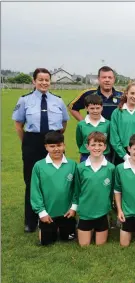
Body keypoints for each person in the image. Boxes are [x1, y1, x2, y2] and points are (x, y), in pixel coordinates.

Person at [12, 68, 70, 233]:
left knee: (58, 180)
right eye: (40, 80)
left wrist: (53, 141)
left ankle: (58, 217)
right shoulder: (24, 100)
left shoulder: (57, 101)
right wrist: (28, 143)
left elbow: (64, 123)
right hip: (32, 142)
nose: (44, 83)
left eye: (47, 80)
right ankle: (31, 220)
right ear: (34, 81)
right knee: (31, 181)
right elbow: (18, 124)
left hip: (54, 141)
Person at [30, 131, 77, 245]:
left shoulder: (72, 164)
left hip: (67, 213)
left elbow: (77, 188)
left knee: (68, 239)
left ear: (64, 145)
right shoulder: (39, 166)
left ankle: (66, 228)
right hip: (48, 213)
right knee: (47, 242)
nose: (56, 149)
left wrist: (74, 208)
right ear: (46, 147)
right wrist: (42, 212)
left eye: (59, 145)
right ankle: (45, 227)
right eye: (52, 146)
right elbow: (35, 190)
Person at [74, 132, 115, 246]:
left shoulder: (111, 168)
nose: (96, 148)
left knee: (100, 246)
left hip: (102, 211)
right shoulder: (80, 167)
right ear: (87, 147)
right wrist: (75, 207)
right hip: (85, 211)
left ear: (105, 147)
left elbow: (112, 190)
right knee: (84, 246)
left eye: (100, 145)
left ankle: (106, 222)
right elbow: (76, 189)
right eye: (93, 145)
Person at [110, 82, 135, 165]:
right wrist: (125, 156)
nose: (134, 96)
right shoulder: (117, 113)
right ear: (126, 93)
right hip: (120, 155)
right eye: (132, 93)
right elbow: (114, 137)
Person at [76, 94, 111, 162]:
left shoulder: (108, 124)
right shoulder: (81, 125)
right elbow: (79, 141)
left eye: (98, 108)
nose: (95, 111)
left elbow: (109, 140)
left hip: (104, 155)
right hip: (86, 155)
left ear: (102, 107)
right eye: (92, 108)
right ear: (86, 108)